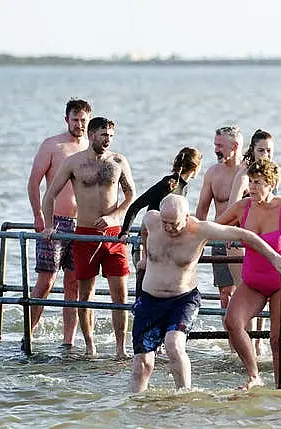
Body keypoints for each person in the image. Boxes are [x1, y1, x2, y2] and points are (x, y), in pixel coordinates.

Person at [129, 194, 281, 393]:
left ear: (187, 218)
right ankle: (136, 406)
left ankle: (184, 395)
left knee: (173, 344)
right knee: (142, 364)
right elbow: (145, 231)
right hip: (150, 300)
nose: (169, 228)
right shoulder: (152, 219)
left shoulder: (200, 230)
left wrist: (275, 258)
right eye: (165, 223)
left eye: (175, 223)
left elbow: (245, 235)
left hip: (182, 299)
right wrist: (146, 257)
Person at [217, 159, 281, 389]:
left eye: (259, 183)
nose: (252, 188)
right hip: (253, 282)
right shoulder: (243, 207)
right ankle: (254, 376)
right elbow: (215, 227)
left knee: (278, 340)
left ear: (271, 184)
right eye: (251, 182)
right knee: (232, 322)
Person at [42, 117, 136, 358]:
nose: (108, 140)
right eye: (103, 135)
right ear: (92, 135)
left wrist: (115, 217)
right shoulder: (74, 163)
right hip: (85, 234)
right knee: (85, 294)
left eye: (111, 136)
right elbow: (50, 194)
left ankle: (120, 348)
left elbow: (130, 195)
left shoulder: (118, 161)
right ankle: (90, 346)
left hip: (113, 236)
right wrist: (49, 226)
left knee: (121, 294)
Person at [26, 98, 92, 349]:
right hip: (55, 222)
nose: (79, 124)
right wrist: (38, 216)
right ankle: (28, 333)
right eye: (75, 120)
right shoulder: (53, 145)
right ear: (67, 120)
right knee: (45, 281)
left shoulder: (91, 147)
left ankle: (69, 342)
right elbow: (34, 182)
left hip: (82, 224)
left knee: (74, 284)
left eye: (83, 120)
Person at [227, 129, 281, 356]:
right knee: (246, 292)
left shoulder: (274, 174)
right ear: (252, 150)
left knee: (266, 293)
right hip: (242, 243)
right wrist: (238, 237)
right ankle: (245, 347)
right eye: (261, 150)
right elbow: (233, 207)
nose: (266, 155)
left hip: (267, 243)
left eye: (270, 150)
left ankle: (259, 345)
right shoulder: (244, 175)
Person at [118, 147, 202, 298]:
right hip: (147, 241)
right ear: (196, 168)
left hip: (165, 244)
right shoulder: (167, 184)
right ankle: (141, 313)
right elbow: (136, 205)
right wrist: (125, 232)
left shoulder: (183, 187)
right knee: (145, 283)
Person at [195, 126, 244, 341]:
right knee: (226, 294)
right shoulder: (213, 173)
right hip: (219, 239)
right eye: (215, 145)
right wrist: (197, 239)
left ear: (234, 146)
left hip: (244, 240)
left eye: (220, 146)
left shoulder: (249, 172)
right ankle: (232, 342)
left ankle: (254, 340)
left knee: (247, 293)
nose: (216, 150)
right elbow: (202, 209)